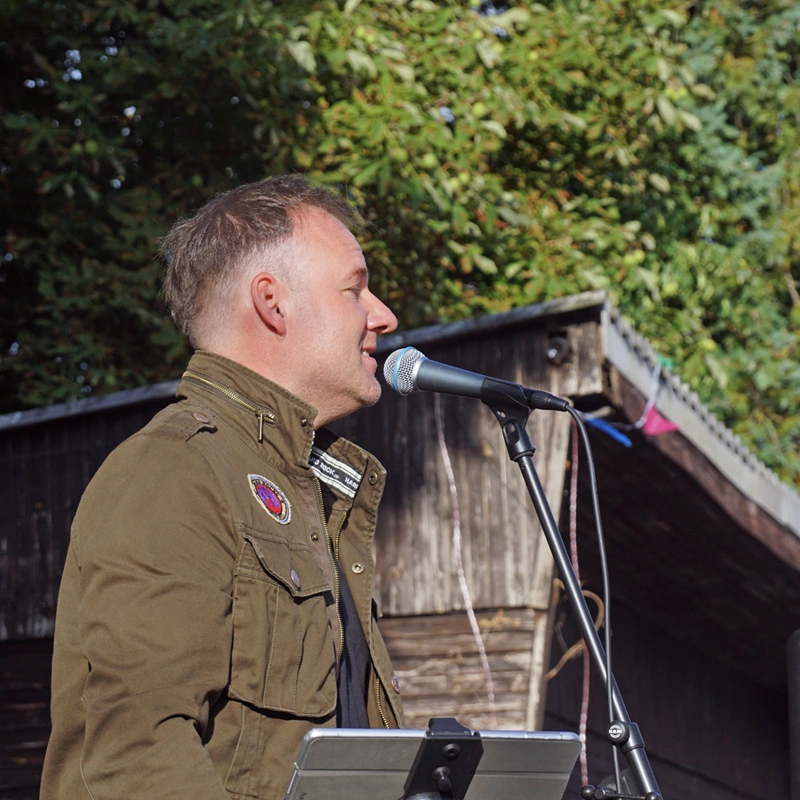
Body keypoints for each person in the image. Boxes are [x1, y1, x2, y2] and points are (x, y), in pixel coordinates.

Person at [40, 175, 404, 800]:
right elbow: (136, 758)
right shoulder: (173, 470)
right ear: (273, 303)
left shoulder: (311, 488)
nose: (383, 316)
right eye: (354, 289)